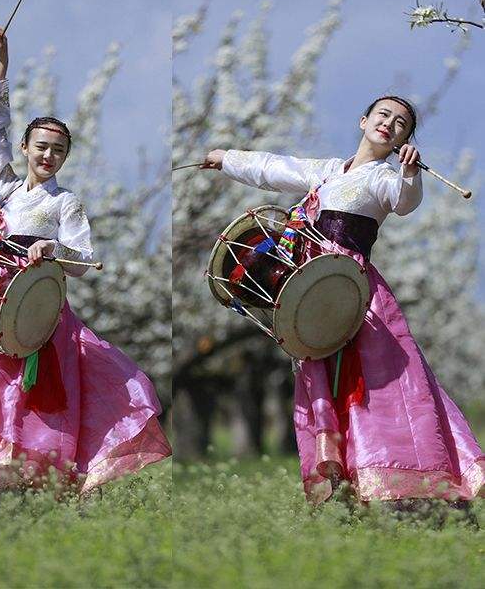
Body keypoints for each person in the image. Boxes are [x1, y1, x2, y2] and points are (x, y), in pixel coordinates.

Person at [203, 96, 484, 504]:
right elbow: (272, 168)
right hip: (310, 291)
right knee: (326, 385)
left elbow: (404, 202)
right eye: (383, 115)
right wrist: (225, 157)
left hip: (354, 292)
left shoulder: (384, 178)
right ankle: (348, 485)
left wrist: (409, 174)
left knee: (379, 383)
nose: (390, 123)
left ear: (404, 139)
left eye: (402, 123)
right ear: (363, 120)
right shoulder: (329, 170)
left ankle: (408, 478)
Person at [0, 27, 171, 498]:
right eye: (41, 146)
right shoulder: (3, 189)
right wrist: (2, 65)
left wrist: (53, 251)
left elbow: (85, 259)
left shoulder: (65, 203)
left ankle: (39, 489)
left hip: (42, 315)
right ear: (24, 148)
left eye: (59, 150)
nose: (49, 155)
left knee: (32, 402)